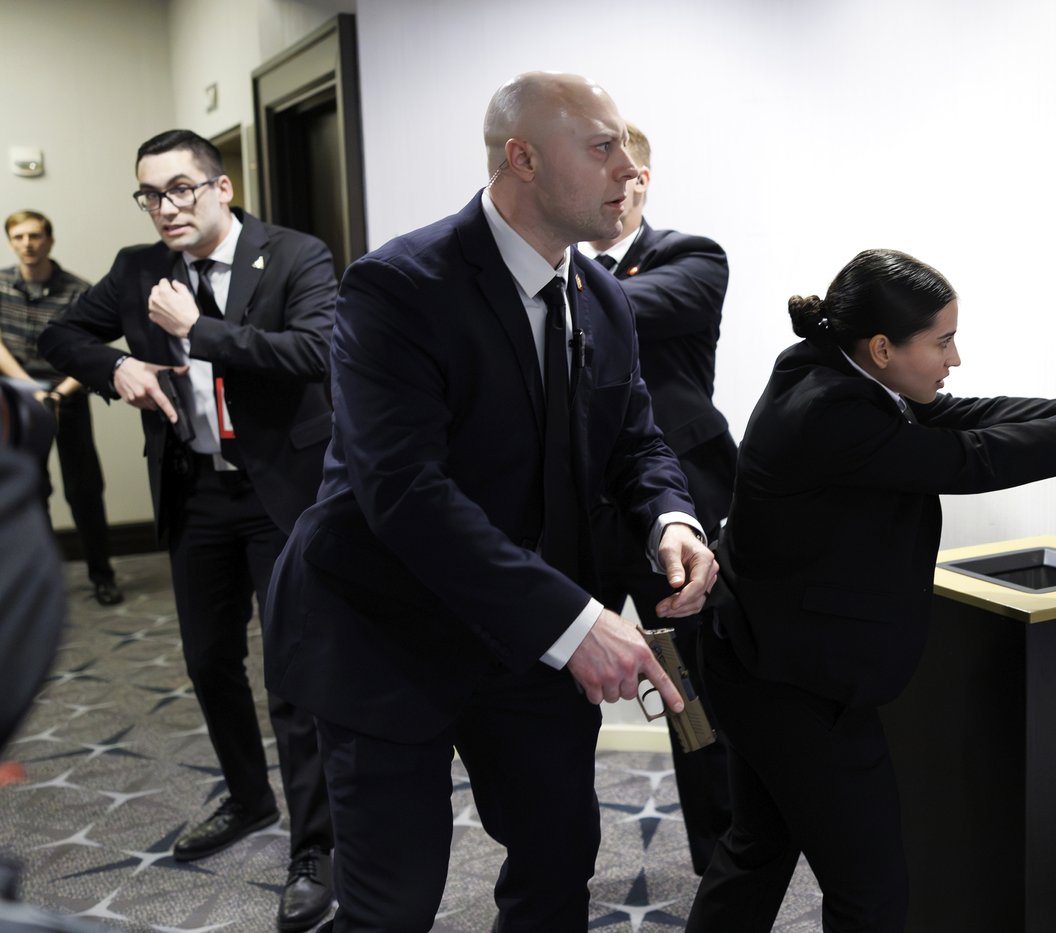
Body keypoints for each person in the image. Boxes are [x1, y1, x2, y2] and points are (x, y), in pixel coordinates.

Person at [261, 72, 718, 932]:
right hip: (388, 628)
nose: (631, 168)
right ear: (523, 159)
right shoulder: (399, 286)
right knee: (393, 902)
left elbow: (635, 438)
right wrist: (577, 623)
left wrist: (671, 517)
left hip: (527, 640)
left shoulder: (601, 296)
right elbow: (405, 492)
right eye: (603, 146)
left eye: (627, 147)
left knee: (558, 862)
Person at [684, 249, 1056, 933]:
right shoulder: (829, 408)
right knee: (871, 893)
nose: (956, 357)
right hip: (798, 685)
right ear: (883, 347)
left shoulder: (832, 368)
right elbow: (967, 459)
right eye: (943, 342)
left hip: (761, 657)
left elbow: (961, 416)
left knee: (757, 848)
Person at [38, 130, 336, 932]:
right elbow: (57, 335)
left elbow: (315, 351)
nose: (164, 207)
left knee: (292, 675)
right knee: (207, 659)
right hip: (195, 489)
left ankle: (316, 845)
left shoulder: (295, 254)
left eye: (179, 189)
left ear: (221, 188)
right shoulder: (137, 269)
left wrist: (197, 329)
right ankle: (248, 796)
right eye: (149, 194)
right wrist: (115, 368)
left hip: (280, 495)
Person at [579, 122, 735, 875]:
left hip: (672, 509)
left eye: (627, 172)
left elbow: (622, 308)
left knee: (696, 696)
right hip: (578, 512)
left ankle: (723, 862)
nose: (616, 185)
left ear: (643, 179)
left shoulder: (691, 257)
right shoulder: (559, 271)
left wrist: (541, 279)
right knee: (556, 690)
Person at [1, 211, 123, 606]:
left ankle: (103, 577)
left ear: (50, 241)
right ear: (10, 242)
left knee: (84, 489)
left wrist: (56, 395)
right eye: (19, 237)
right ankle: (35, 582)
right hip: (16, 398)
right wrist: (29, 389)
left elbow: (91, 351)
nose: (27, 244)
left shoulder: (78, 290)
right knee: (27, 490)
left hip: (67, 395)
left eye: (35, 236)